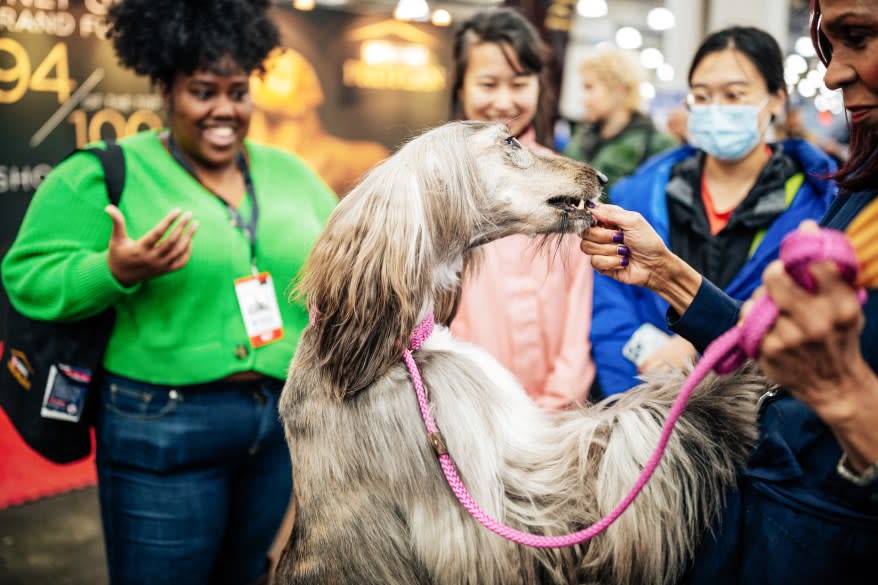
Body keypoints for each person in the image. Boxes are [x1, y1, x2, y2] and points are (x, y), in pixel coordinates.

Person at [1, 1, 337, 583]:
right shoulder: (104, 172)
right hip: (161, 426)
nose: (224, 110)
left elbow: (340, 269)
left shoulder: (292, 175)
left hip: (278, 424)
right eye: (203, 91)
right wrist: (113, 271)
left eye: (238, 92)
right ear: (165, 87)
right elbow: (26, 277)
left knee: (246, 575)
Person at [579, 1, 878, 581]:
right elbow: (766, 339)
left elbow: (811, 365)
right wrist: (668, 276)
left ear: (774, 102)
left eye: (859, 37)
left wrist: (840, 392)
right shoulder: (857, 194)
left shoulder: (817, 197)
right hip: (739, 503)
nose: (836, 71)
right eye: (829, 46)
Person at [589, 26, 837, 396]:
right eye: (701, 97)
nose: (715, 109)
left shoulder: (818, 209)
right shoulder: (639, 193)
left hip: (757, 421)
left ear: (776, 99)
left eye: (735, 95)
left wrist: (698, 352)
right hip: (641, 410)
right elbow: (611, 309)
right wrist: (640, 403)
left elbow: (804, 327)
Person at [447, 8, 595, 410]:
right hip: (463, 406)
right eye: (488, 83)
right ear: (460, 86)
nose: (504, 101)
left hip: (556, 414)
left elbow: (580, 302)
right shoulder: (437, 181)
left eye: (519, 83)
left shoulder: (565, 181)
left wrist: (558, 404)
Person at [563, 46, 677, 190]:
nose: (584, 99)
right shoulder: (581, 136)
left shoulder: (657, 144)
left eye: (589, 87)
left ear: (618, 89)